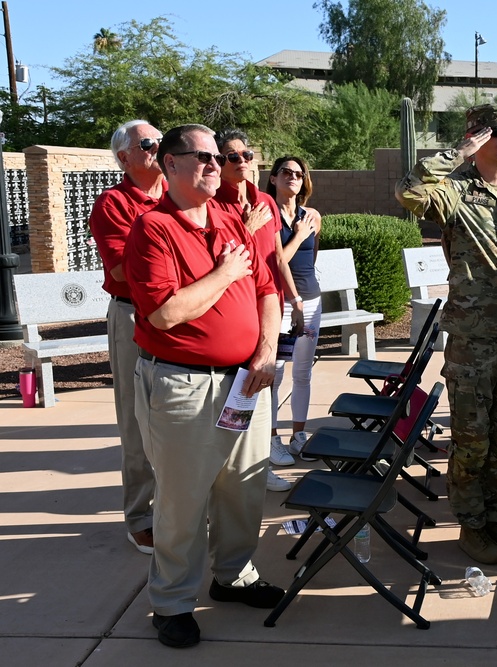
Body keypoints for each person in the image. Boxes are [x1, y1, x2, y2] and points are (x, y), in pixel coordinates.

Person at [124, 124, 285, 648]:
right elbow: (166, 313)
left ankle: (233, 576)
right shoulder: (153, 230)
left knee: (243, 489)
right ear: (170, 164)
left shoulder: (229, 218)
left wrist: (264, 353)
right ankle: (171, 602)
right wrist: (222, 273)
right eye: (204, 157)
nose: (217, 165)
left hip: (246, 382)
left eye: (220, 156)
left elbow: (265, 289)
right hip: (182, 387)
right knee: (182, 500)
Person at [396, 104, 497, 565]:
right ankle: (471, 524)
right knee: (472, 439)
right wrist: (460, 152)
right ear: (478, 137)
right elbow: (409, 190)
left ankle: (495, 516)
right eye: (496, 133)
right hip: (475, 342)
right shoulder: (456, 193)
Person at [213, 129, 304, 492]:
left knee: (261, 388)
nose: (241, 162)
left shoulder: (265, 202)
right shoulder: (211, 205)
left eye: (246, 154)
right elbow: (221, 263)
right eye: (231, 156)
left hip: (266, 310)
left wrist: (291, 301)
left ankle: (257, 465)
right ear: (217, 163)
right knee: (229, 403)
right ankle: (219, 478)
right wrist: (243, 229)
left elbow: (272, 262)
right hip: (230, 317)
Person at [88, 119, 163, 555]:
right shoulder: (113, 204)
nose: (158, 148)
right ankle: (141, 516)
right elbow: (118, 270)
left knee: (176, 414)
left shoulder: (178, 196)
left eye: (160, 140)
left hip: (181, 315)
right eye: (149, 144)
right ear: (125, 157)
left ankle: (179, 507)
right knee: (135, 418)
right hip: (133, 316)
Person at [265, 157, 322, 462]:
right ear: (273, 178)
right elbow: (276, 261)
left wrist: (303, 295)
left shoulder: (312, 216)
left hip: (311, 301)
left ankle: (299, 435)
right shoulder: (266, 213)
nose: (293, 177)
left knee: (302, 373)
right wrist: (298, 235)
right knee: (273, 374)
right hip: (280, 303)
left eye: (298, 174)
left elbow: (309, 259)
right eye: (286, 172)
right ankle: (271, 438)